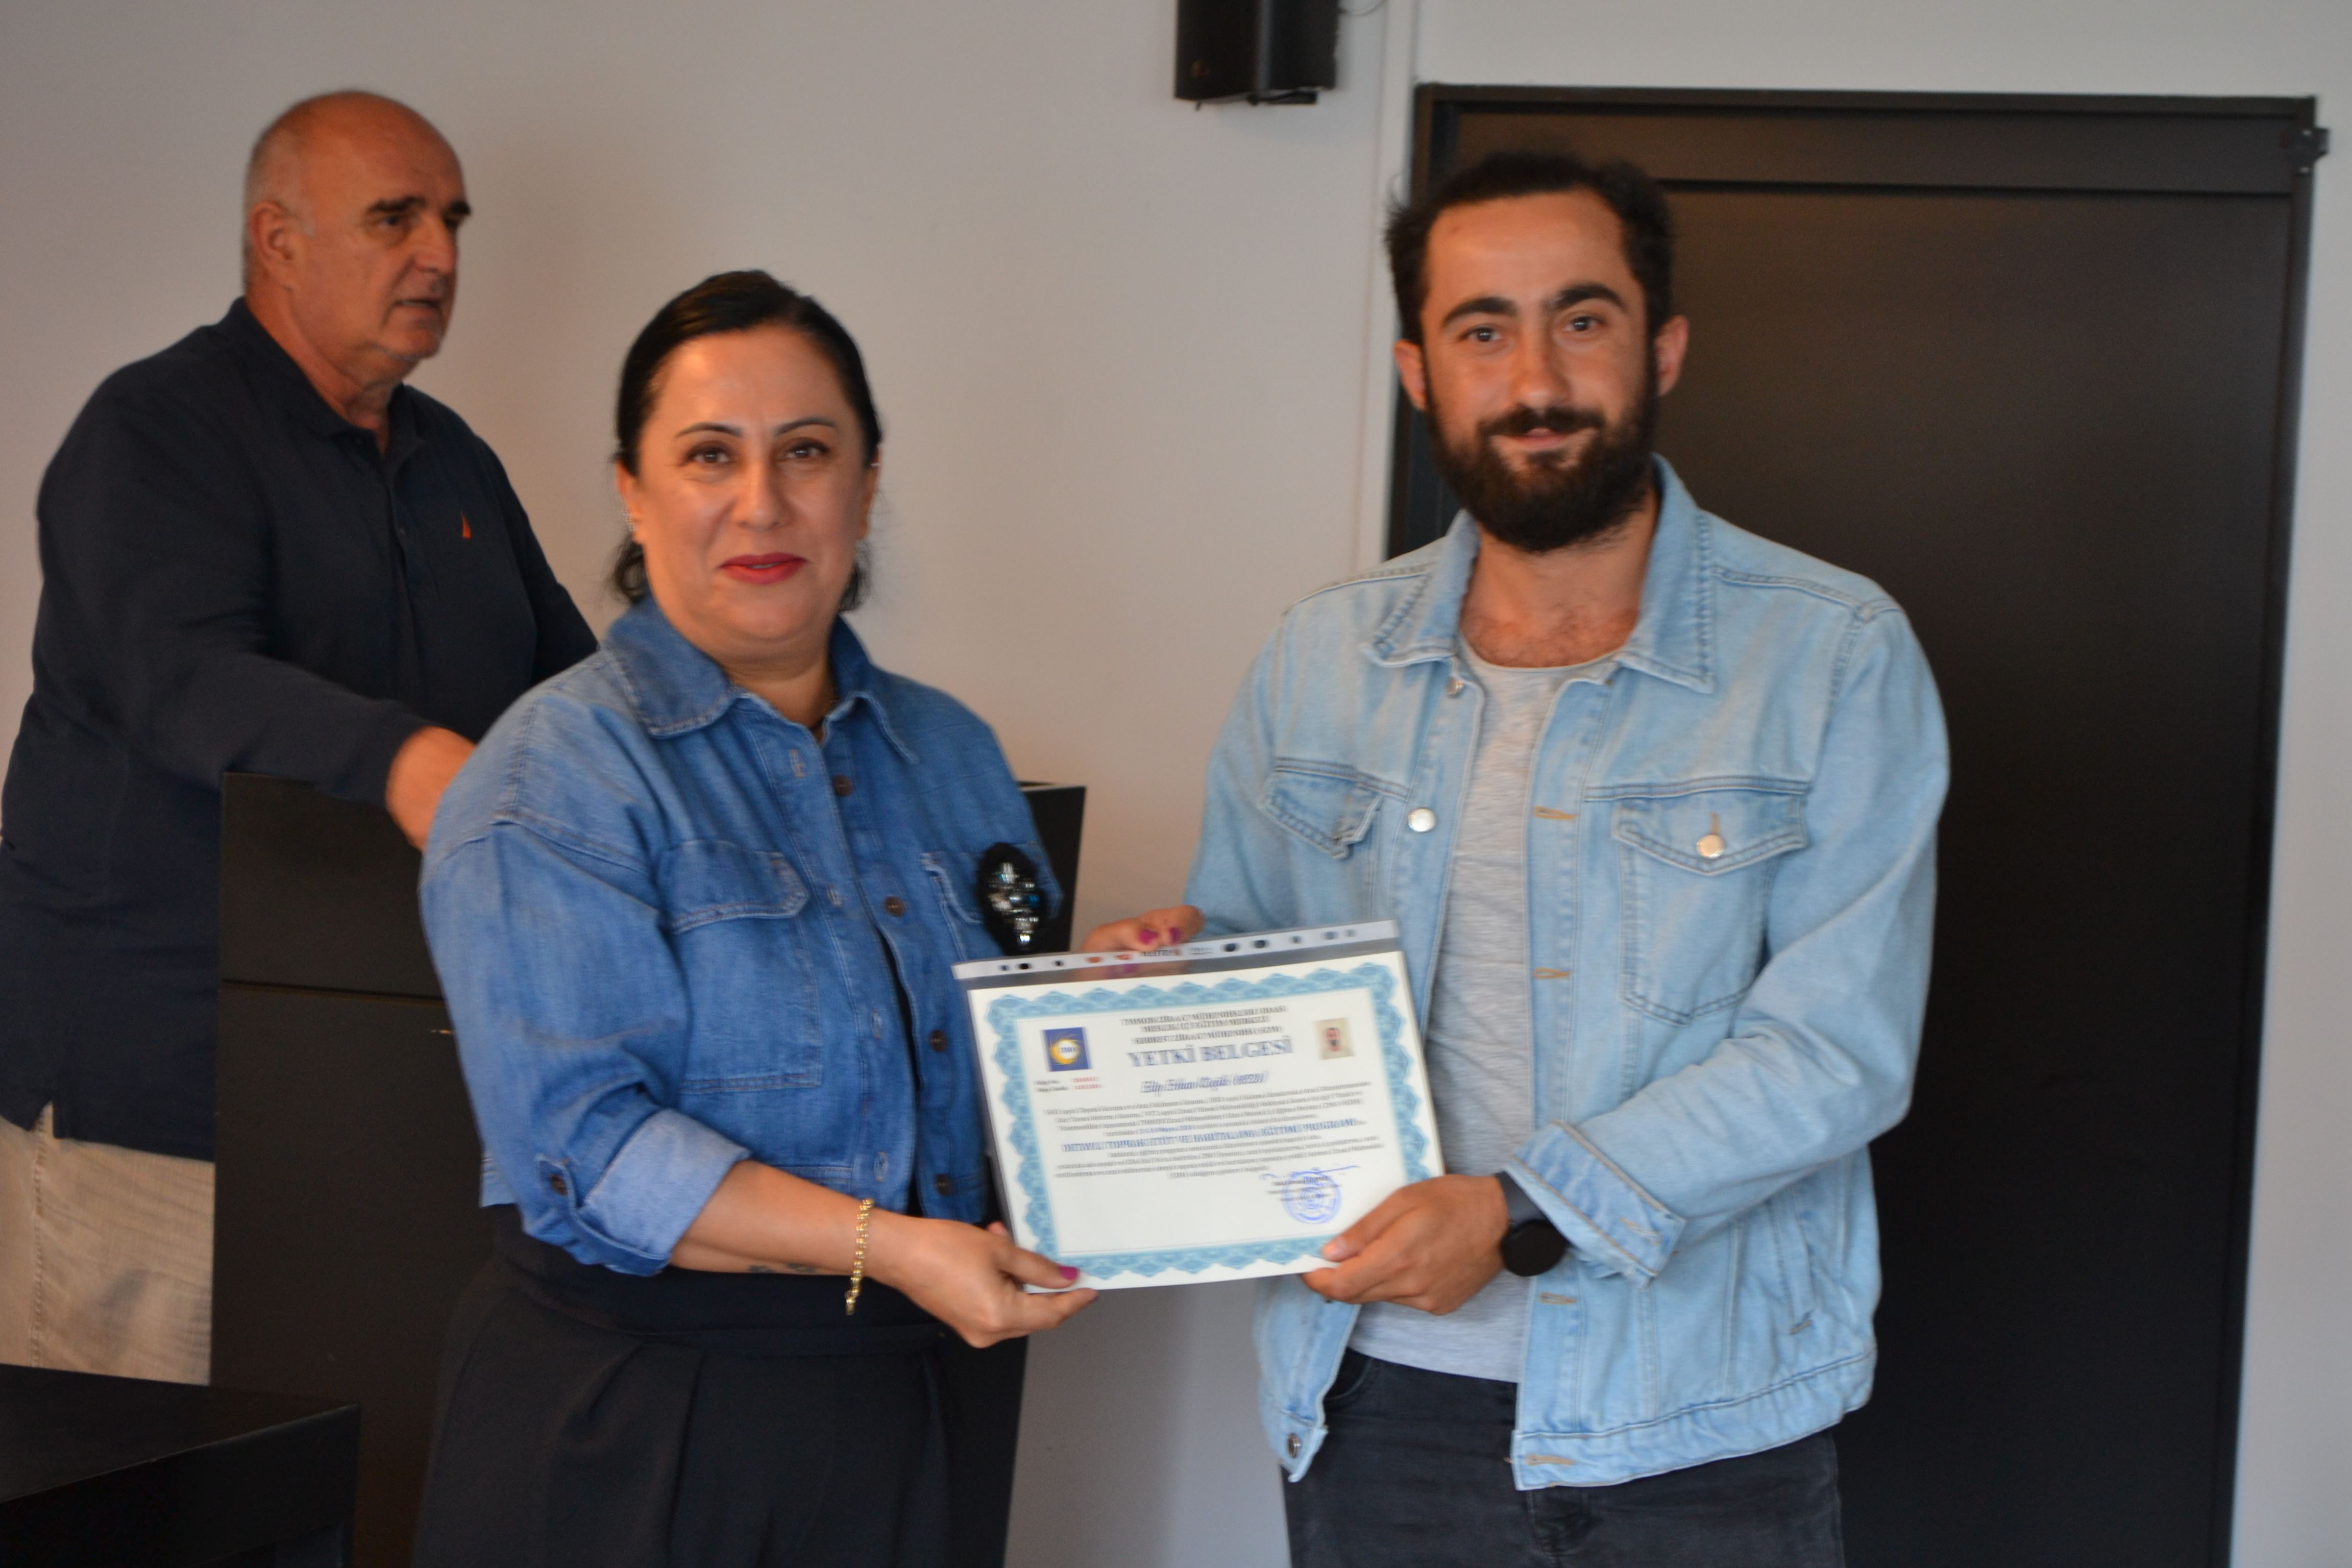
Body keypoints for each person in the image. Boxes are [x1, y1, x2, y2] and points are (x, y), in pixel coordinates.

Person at [1090, 151, 1947, 1566]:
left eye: (1582, 320)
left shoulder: (1832, 655)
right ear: (1418, 373)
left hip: (1703, 1420)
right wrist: (1165, 997)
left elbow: (1834, 1052)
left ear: (1663, 349)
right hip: (1378, 1407)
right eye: (1482, 330)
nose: (1536, 379)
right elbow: (1255, 960)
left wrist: (1519, 1211)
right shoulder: (1318, 659)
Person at [410, 270, 1093, 1568]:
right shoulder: (552, 774)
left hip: (906, 1398)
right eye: (710, 455)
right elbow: (588, 1150)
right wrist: (888, 1247)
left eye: (807, 452)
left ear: (867, 485)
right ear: (634, 490)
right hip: (634, 1418)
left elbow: (993, 1068)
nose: (763, 502)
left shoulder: (952, 754)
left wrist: (1108, 1009)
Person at [0, 91, 593, 1386]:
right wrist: (409, 760)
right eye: (395, 218)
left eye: (452, 221)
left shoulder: (454, 462)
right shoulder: (153, 430)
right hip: (151, 1122)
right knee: (134, 1484)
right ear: (277, 241)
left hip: (381, 1114)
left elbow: (573, 702)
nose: (438, 254)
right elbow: (181, 680)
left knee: (348, 1478)